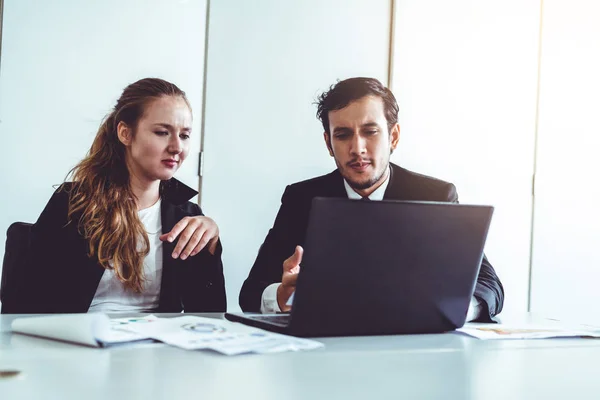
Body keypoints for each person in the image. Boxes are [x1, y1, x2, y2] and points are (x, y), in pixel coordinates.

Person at [239, 77, 503, 322]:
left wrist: (452, 311)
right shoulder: (301, 199)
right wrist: (281, 296)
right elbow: (250, 294)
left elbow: (490, 286)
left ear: (394, 137)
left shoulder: (435, 196)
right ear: (329, 144)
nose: (358, 149)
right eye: (342, 135)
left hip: (413, 352)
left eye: (370, 131)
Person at [2, 78, 225, 314]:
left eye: (185, 136)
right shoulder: (72, 203)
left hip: (158, 346)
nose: (176, 147)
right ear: (125, 133)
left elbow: (211, 314)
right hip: (79, 342)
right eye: (162, 132)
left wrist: (210, 247)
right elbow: (25, 306)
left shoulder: (188, 217)